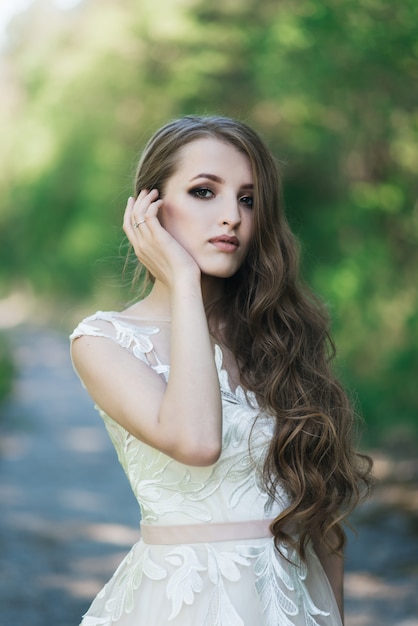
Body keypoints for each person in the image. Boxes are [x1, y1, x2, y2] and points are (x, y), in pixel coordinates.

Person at [70, 115, 372, 626]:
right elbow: (196, 441)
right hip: (180, 607)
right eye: (204, 192)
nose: (231, 216)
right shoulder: (103, 342)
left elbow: (321, 520)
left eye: (248, 199)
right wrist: (183, 281)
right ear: (150, 207)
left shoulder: (280, 338)